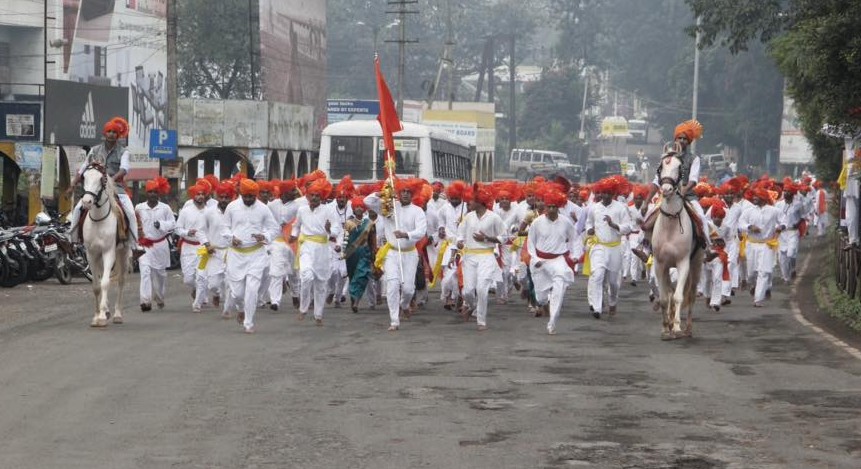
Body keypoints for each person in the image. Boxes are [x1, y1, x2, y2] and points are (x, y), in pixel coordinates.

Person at [66, 117, 139, 252]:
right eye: (109, 131)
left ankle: (134, 245)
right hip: (95, 188)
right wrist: (72, 185)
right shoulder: (94, 151)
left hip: (116, 188)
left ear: (118, 135)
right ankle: (74, 240)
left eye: (114, 132)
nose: (111, 134)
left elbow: (124, 169)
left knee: (130, 212)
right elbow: (82, 169)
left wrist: (111, 180)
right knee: (77, 209)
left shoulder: (124, 152)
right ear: (104, 134)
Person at [364, 179, 428, 331]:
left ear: (412, 194)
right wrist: (381, 194)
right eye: (403, 191)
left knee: (408, 290)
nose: (405, 194)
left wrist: (406, 234)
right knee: (392, 285)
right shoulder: (388, 207)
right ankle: (394, 320)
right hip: (392, 253)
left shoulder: (417, 211)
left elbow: (421, 231)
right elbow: (367, 201)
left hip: (410, 254)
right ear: (398, 192)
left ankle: (404, 304)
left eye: (408, 192)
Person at [222, 179, 280, 333]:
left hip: (256, 254)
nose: (248, 199)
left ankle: (249, 322)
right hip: (236, 255)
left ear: (256, 195)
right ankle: (240, 308)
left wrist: (265, 235)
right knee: (237, 293)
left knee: (252, 289)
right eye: (245, 196)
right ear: (241, 193)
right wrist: (231, 237)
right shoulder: (232, 207)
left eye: (251, 196)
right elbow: (225, 227)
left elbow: (274, 228)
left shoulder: (263, 209)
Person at [642, 119, 708, 246]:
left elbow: (693, 180)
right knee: (649, 215)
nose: (682, 141)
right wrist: (646, 202)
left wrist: (683, 192)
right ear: (675, 139)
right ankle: (644, 247)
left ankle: (707, 249)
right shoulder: (667, 158)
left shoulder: (694, 159)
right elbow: (657, 181)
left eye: (685, 138)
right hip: (667, 196)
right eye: (680, 138)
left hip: (688, 196)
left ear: (689, 141)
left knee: (702, 217)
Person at [289, 179, 343, 325]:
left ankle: (318, 315)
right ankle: (303, 308)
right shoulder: (302, 210)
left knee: (321, 284)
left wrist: (328, 230)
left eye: (317, 195)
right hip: (306, 246)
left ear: (322, 197)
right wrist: (294, 235)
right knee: (306, 276)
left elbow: (337, 230)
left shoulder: (328, 210)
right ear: (307, 196)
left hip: (323, 249)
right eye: (312, 195)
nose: (314, 198)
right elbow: (296, 226)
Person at [527, 185, 577, 335]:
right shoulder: (537, 222)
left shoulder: (566, 222)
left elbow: (575, 239)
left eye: (554, 207)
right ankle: (543, 303)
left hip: (558, 260)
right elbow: (530, 243)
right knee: (541, 296)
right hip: (540, 261)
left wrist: (574, 255)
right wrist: (535, 259)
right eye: (549, 206)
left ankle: (552, 322)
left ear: (559, 207)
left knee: (559, 288)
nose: (551, 209)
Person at [457, 184, 506, 331]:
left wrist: (486, 238)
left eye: (470, 201)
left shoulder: (494, 218)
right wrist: (459, 242)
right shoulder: (467, 217)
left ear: (480, 201)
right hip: (470, 256)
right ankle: (471, 305)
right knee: (467, 291)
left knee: (482, 289)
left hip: (486, 256)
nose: (468, 204)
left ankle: (481, 320)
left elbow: (504, 237)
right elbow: (460, 234)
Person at [585, 177, 633, 318]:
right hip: (598, 247)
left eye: (608, 193)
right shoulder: (594, 208)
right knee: (597, 275)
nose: (604, 196)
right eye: (602, 193)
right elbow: (589, 223)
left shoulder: (621, 208)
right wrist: (589, 230)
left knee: (613, 282)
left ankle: (612, 302)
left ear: (613, 194)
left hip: (615, 248)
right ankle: (597, 308)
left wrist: (614, 225)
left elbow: (628, 227)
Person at [135, 177, 176, 311]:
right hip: (144, 245)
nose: (153, 194)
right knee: (145, 272)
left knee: (160, 274)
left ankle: (159, 296)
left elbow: (173, 224)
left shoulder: (165, 208)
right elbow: (134, 225)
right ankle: (145, 301)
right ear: (146, 193)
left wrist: (162, 225)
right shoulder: (139, 208)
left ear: (159, 194)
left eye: (155, 192)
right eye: (150, 192)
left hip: (160, 245)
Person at [738, 187, 780, 307]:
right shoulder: (749, 211)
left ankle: (758, 299)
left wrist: (780, 227)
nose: (754, 198)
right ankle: (753, 285)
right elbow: (741, 223)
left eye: (757, 196)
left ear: (763, 198)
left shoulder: (774, 211)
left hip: (767, 245)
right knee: (751, 273)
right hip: (751, 244)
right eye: (754, 196)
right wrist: (750, 227)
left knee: (764, 272)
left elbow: (783, 222)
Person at [267, 179, 304, 310]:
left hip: (293, 242)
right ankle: (275, 301)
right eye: (292, 190)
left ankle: (295, 294)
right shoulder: (272, 205)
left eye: (295, 190)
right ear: (283, 193)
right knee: (276, 271)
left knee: (294, 272)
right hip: (277, 242)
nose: (295, 193)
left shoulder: (299, 205)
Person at [175, 182, 211, 312]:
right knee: (188, 278)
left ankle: (197, 303)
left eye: (202, 194)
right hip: (188, 247)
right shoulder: (185, 212)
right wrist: (186, 232)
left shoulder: (210, 212)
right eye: (198, 194)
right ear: (193, 196)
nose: (200, 196)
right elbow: (177, 228)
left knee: (201, 276)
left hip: (203, 249)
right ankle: (197, 289)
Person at [202, 182, 234, 314]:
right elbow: (201, 230)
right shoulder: (209, 212)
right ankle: (216, 293)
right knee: (213, 284)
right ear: (217, 197)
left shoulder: (235, 211)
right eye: (222, 197)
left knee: (229, 282)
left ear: (231, 197)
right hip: (214, 252)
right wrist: (206, 244)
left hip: (231, 251)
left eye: (227, 197)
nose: (224, 200)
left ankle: (227, 309)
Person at [344, 196, 376, 313]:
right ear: (353, 208)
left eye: (360, 206)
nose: (358, 208)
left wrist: (373, 254)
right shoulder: (349, 222)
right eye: (356, 206)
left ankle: (357, 301)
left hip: (364, 253)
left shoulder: (369, 223)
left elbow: (373, 240)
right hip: (351, 254)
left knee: (361, 277)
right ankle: (353, 299)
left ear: (364, 209)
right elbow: (345, 239)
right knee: (352, 277)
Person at [775, 181, 803, 283]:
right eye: (785, 191)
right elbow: (775, 219)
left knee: (790, 254)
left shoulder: (798, 204)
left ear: (792, 193)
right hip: (782, 234)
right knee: (782, 257)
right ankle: (786, 277)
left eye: (788, 191)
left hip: (793, 232)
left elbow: (802, 217)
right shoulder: (778, 205)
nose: (785, 193)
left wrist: (798, 223)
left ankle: (792, 269)